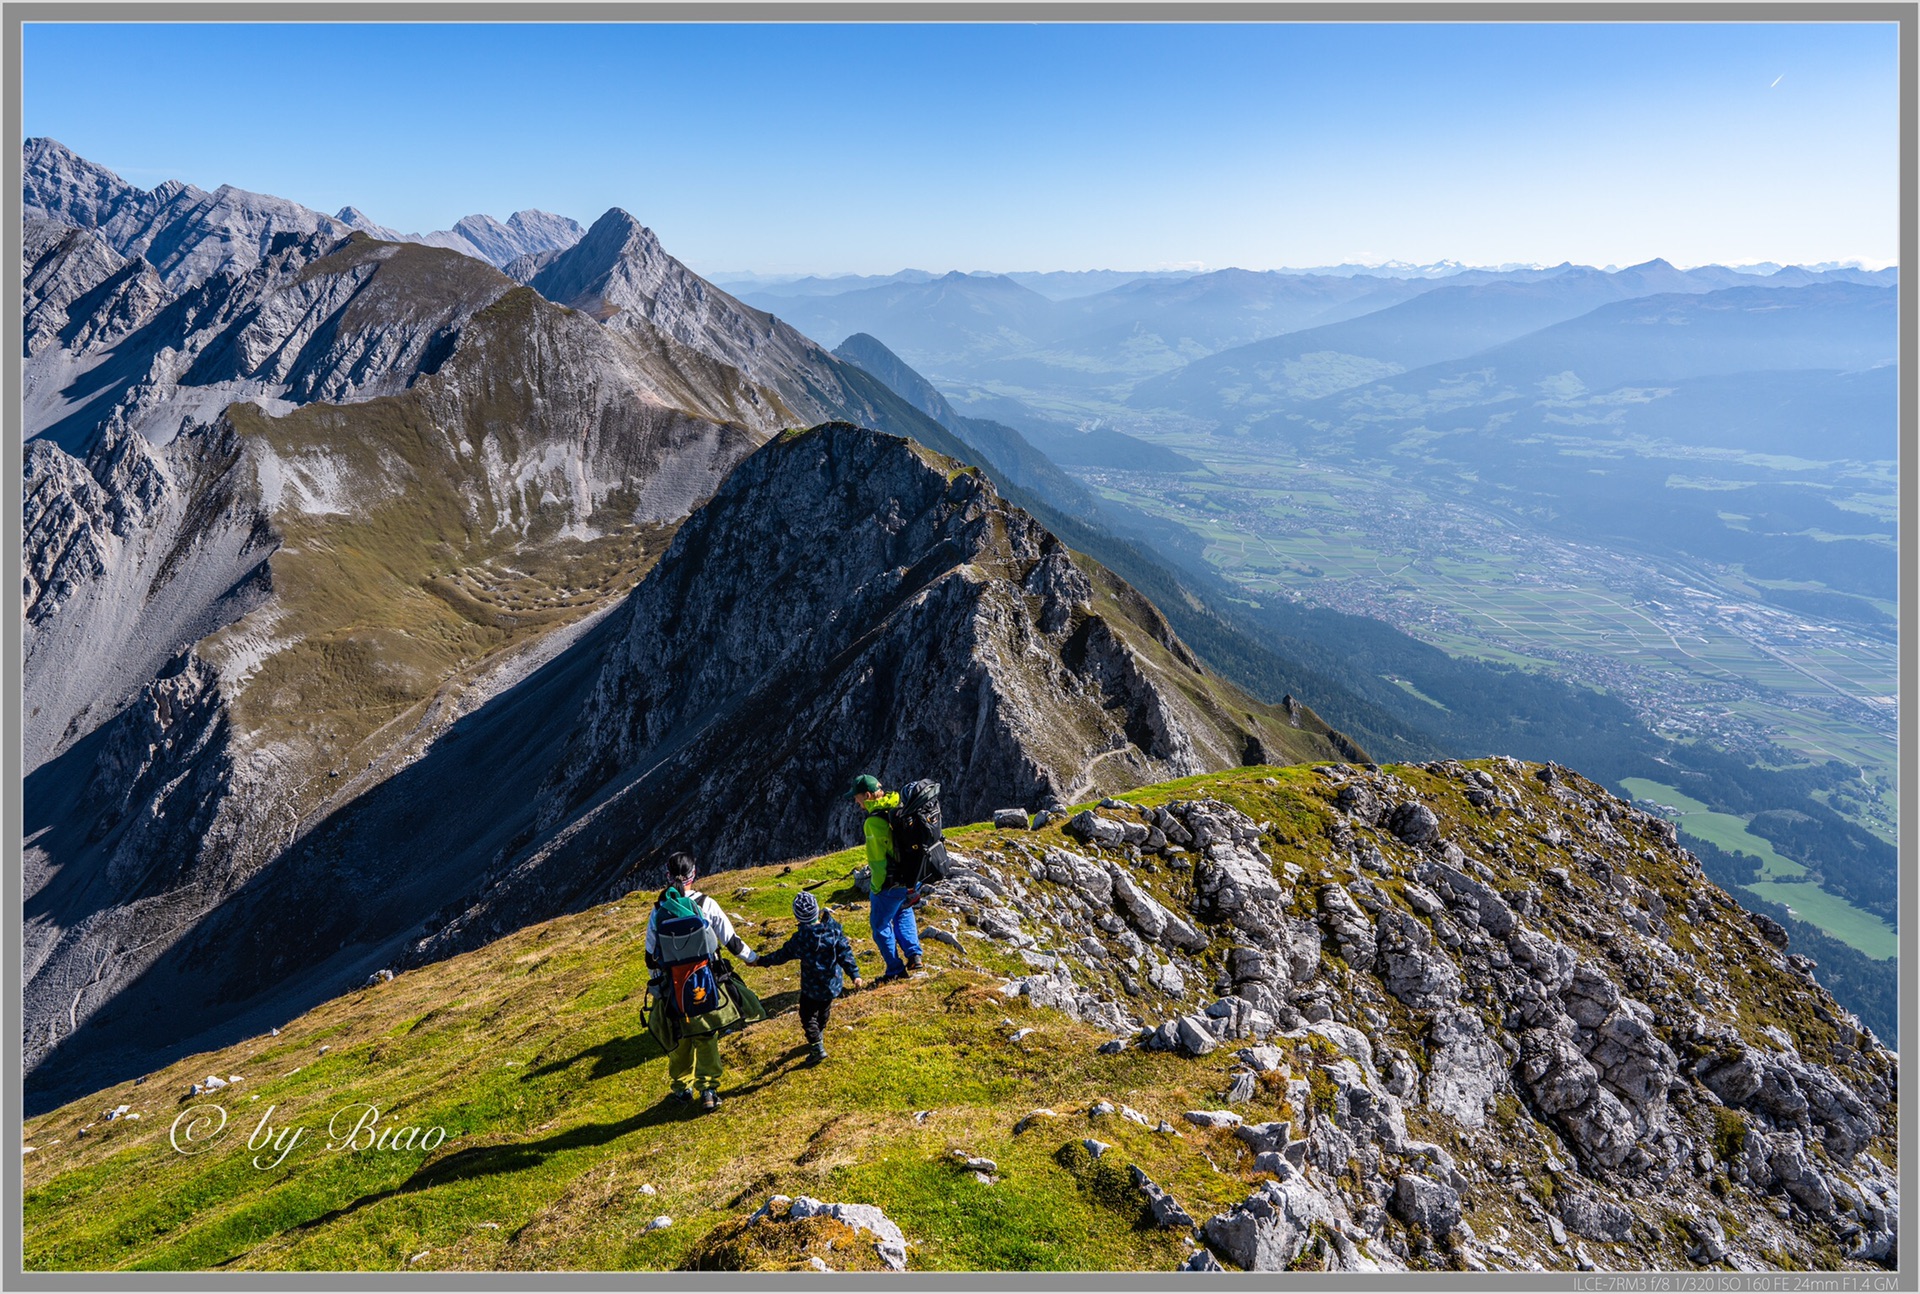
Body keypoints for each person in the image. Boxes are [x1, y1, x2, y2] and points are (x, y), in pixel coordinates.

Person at [645, 852, 760, 1113]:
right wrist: (753, 959)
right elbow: (731, 940)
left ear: (667, 876)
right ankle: (708, 1090)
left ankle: (681, 1088)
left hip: (673, 987)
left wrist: (661, 986)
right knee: (706, 1033)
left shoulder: (658, 910)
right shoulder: (707, 904)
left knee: (680, 1037)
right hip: (705, 982)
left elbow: (650, 958)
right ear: (694, 875)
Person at [756, 891, 864, 1063]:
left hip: (811, 988)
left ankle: (816, 1047)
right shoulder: (834, 928)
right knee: (824, 1010)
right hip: (832, 984)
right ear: (817, 910)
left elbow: (781, 955)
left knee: (807, 1016)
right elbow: (845, 953)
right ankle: (818, 1034)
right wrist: (855, 974)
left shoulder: (801, 938)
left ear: (797, 916)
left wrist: (761, 961)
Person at [848, 773, 924, 982]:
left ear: (868, 795)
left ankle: (895, 970)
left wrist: (875, 888)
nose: (856, 801)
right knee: (903, 910)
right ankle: (914, 955)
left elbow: (878, 863)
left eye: (857, 797)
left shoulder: (874, 822)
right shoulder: (899, 804)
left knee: (880, 925)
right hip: (913, 877)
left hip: (890, 883)